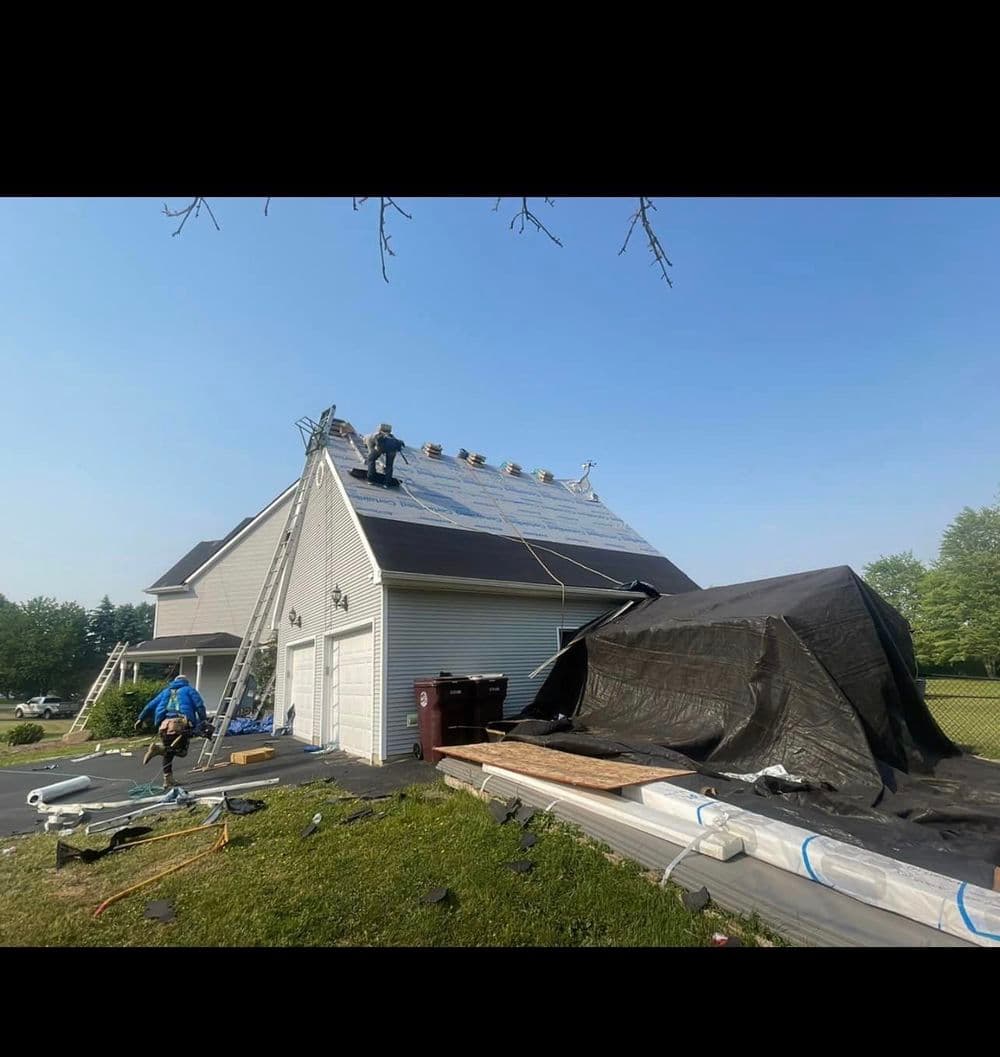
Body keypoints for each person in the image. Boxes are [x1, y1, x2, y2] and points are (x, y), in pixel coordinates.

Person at [135, 675, 208, 788]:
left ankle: (168, 780)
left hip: (164, 725)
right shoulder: (189, 690)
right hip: (180, 724)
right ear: (186, 682)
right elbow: (199, 705)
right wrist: (203, 720)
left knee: (169, 753)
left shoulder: (166, 691)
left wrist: (141, 718)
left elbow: (150, 705)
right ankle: (158, 749)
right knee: (181, 752)